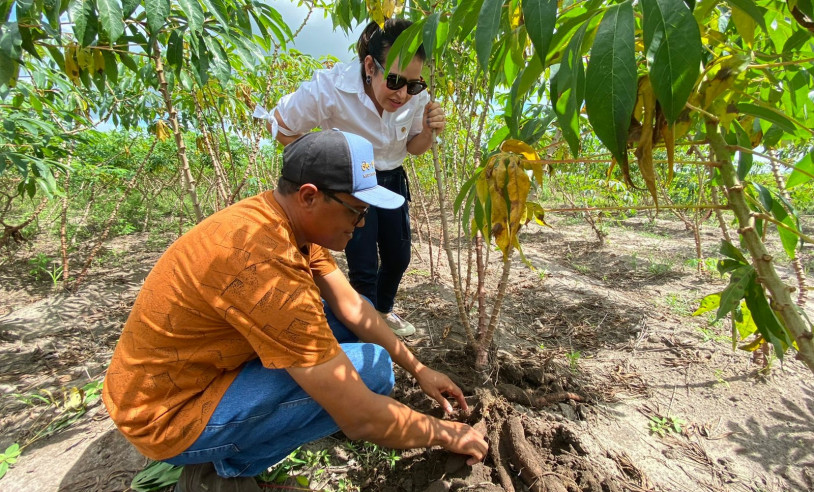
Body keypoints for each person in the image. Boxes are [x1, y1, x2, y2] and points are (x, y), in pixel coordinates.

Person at [102, 130, 487, 491]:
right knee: (371, 370)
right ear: (308, 196)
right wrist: (446, 433)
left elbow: (353, 306)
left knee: (347, 318)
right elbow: (362, 417)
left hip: (191, 377)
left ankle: (274, 423)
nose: (362, 223)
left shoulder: (284, 221)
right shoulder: (263, 264)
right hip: (166, 418)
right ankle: (220, 472)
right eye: (356, 211)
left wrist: (419, 369)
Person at [254, 18, 445, 337]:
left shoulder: (415, 99)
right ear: (370, 66)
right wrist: (329, 170)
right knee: (364, 265)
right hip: (354, 185)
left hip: (392, 179)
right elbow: (281, 124)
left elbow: (414, 148)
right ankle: (363, 330)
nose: (403, 95)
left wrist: (427, 131)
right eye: (395, 80)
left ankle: (381, 313)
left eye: (413, 85)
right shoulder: (330, 87)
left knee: (399, 257)